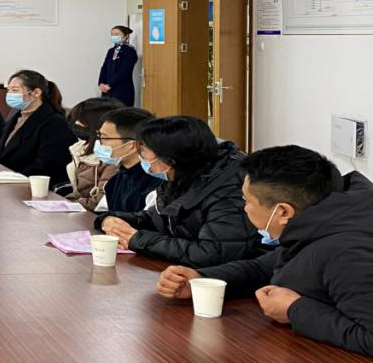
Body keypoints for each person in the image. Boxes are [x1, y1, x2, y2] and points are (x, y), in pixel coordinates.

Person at [157, 146, 373, 356]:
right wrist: (200, 280)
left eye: (247, 201)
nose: (244, 208)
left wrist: (294, 310)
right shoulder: (319, 221)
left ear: (283, 212)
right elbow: (263, 268)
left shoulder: (346, 252)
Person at [95, 115, 263, 268]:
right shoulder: (183, 176)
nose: (142, 159)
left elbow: (211, 253)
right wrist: (111, 220)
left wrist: (138, 239)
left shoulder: (230, 189)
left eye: (145, 153)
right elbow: (157, 219)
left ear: (170, 158)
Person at [0, 70, 77, 194]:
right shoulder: (17, 116)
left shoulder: (54, 123)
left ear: (36, 92)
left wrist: (13, 178)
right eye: (8, 90)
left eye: (15, 90)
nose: (9, 94)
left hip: (35, 188)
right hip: (9, 182)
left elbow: (46, 165)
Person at [94, 107, 162, 213]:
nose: (99, 143)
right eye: (99, 137)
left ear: (132, 145)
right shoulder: (115, 180)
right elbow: (101, 214)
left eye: (105, 138)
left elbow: (148, 220)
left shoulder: (157, 184)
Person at [65, 97, 124, 210]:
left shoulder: (111, 158)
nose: (76, 123)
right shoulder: (80, 148)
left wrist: (68, 204)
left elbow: (98, 203)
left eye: (82, 121)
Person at [98, 25, 137, 107]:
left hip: (121, 88)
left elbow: (124, 71)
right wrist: (101, 83)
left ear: (125, 36)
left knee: (121, 110)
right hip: (107, 89)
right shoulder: (111, 51)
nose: (114, 37)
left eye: (116, 34)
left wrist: (110, 85)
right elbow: (104, 67)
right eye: (112, 34)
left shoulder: (130, 51)